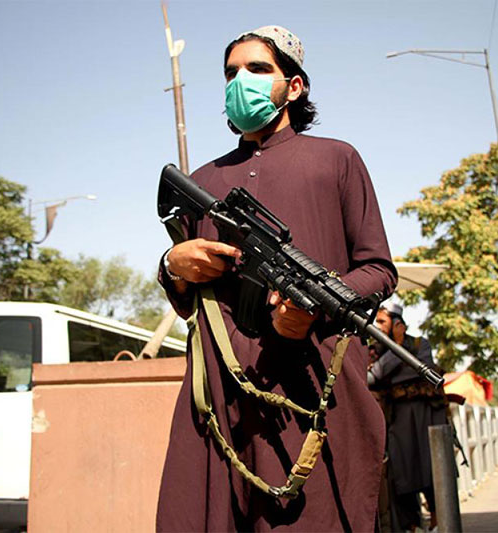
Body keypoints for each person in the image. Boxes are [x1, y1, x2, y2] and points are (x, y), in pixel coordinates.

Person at [155, 25, 397, 531]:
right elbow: (186, 297)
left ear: (295, 85)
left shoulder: (336, 159)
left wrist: (314, 309)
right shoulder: (203, 180)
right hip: (219, 389)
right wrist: (174, 266)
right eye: (231, 73)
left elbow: (378, 270)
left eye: (258, 68)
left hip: (309, 385)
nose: (240, 80)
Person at [368, 301, 447, 532]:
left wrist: (397, 353)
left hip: (426, 415)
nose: (377, 326)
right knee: (402, 472)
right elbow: (373, 376)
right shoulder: (376, 349)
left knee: (431, 467)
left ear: (397, 323)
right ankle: (411, 525)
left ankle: (439, 518)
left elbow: (424, 369)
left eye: (382, 321)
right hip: (397, 417)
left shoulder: (420, 344)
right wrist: (398, 348)